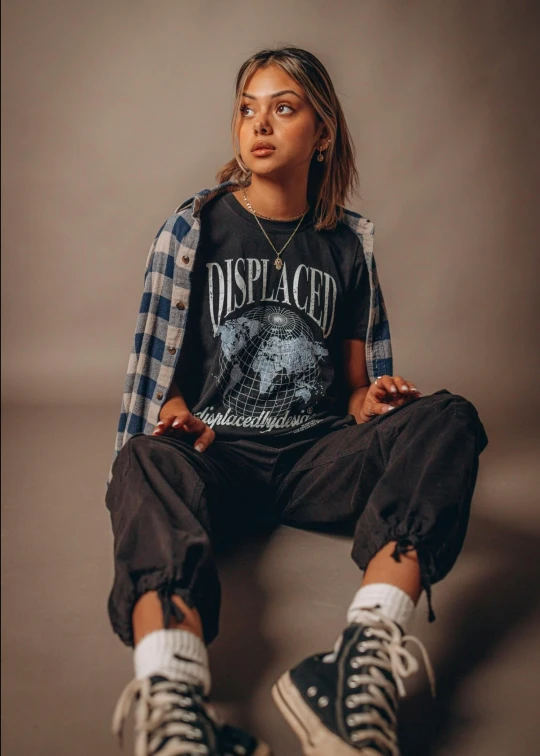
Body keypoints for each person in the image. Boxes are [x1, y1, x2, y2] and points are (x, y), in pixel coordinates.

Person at [105, 46, 489, 756]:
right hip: (217, 457)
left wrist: (369, 401)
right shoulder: (196, 231)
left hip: (317, 460)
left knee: (451, 418)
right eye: (248, 108)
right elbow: (164, 373)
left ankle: (362, 652)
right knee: (141, 461)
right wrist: (174, 416)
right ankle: (173, 700)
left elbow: (348, 388)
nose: (260, 124)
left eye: (283, 108)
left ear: (324, 132)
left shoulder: (346, 244)